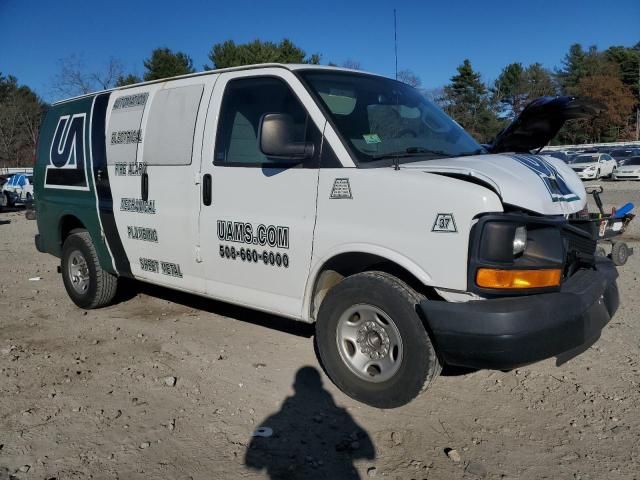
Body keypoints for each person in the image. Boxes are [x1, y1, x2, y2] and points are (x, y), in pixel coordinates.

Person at [245, 366, 375, 479]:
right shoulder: (340, 414)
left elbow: (252, 461)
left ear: (295, 386)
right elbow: (369, 451)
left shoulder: (277, 418)